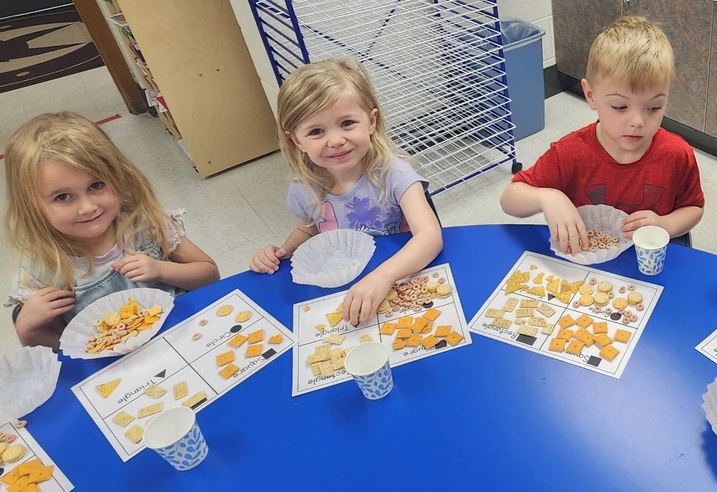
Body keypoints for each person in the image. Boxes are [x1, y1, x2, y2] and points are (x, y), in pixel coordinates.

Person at [4, 112, 221, 350]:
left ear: (118, 176)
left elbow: (210, 275)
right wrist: (27, 329)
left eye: (96, 185)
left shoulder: (147, 224)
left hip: (185, 338)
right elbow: (61, 350)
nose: (88, 208)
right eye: (63, 197)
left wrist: (161, 269)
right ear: (31, 206)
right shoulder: (43, 271)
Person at [250, 58, 442, 324]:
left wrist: (382, 277)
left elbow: (430, 236)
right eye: (316, 131)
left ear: (371, 121)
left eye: (347, 123)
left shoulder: (395, 173)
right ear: (297, 140)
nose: (336, 140)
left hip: (400, 276)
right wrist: (280, 252)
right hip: (346, 288)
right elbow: (307, 231)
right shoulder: (303, 187)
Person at [500, 16, 704, 254]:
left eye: (654, 108)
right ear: (591, 95)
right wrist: (548, 197)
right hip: (588, 262)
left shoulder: (677, 155)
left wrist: (665, 225)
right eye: (620, 107)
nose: (638, 122)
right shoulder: (570, 153)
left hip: (650, 260)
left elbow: (693, 207)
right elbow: (509, 199)